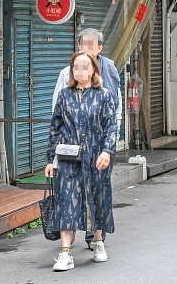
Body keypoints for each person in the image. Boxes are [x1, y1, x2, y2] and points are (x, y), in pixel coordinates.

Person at [45, 51, 117, 272]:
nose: (80, 71)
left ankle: (98, 241)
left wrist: (107, 151)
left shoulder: (103, 95)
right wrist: (50, 160)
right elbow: (55, 129)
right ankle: (66, 252)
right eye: (76, 67)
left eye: (85, 66)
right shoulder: (64, 96)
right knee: (66, 201)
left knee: (97, 198)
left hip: (96, 159)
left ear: (94, 70)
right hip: (69, 158)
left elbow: (111, 127)